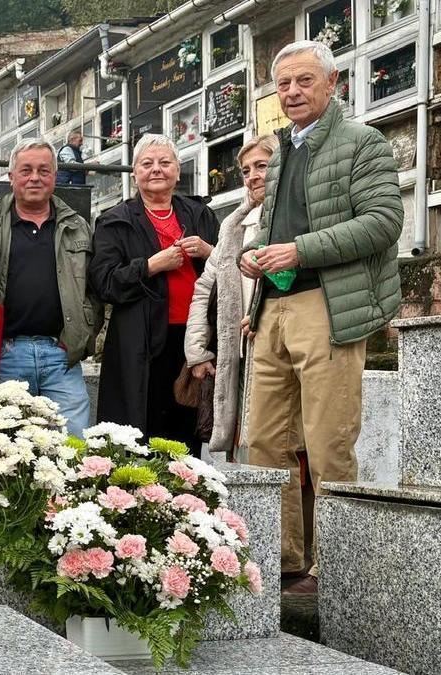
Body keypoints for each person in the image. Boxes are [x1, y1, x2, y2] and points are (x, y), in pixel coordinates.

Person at [238, 40, 402, 594]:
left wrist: (300, 250)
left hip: (329, 304)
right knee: (262, 443)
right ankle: (281, 561)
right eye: (283, 84)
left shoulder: (365, 142)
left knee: (329, 440)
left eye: (304, 81)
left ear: (334, 85)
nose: (292, 92)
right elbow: (278, 228)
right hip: (273, 305)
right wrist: (255, 250)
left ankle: (336, 569)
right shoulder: (283, 147)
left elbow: (383, 222)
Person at [89, 133, 219, 450]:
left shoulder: (200, 214)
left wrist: (208, 251)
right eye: (147, 164)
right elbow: (104, 283)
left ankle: (190, 498)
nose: (156, 169)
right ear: (135, 173)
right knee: (141, 434)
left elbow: (229, 267)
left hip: (193, 340)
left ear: (177, 170)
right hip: (141, 343)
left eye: (165, 163)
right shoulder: (114, 221)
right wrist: (150, 265)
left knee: (187, 434)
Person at [0, 138, 102, 438]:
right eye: (26, 170)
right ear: (11, 177)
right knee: (6, 450)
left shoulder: (78, 226)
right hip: (6, 355)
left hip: (60, 356)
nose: (35, 177)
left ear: (55, 176)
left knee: (75, 445)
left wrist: (81, 336)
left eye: (44, 170)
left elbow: (94, 291)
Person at [184, 134, 278, 460]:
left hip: (274, 353)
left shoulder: (291, 218)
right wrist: (196, 351)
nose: (253, 176)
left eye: (262, 166)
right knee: (242, 452)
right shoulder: (233, 226)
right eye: (246, 170)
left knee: (276, 449)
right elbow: (204, 288)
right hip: (234, 358)